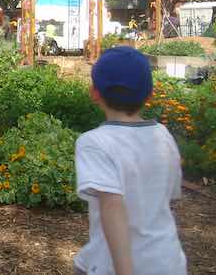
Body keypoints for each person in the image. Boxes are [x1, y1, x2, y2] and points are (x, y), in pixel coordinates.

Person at [74, 46, 185, 275]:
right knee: (82, 263)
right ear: (149, 95)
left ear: (94, 92)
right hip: (168, 259)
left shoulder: (95, 143)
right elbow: (169, 193)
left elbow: (112, 205)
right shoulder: (163, 136)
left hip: (120, 265)